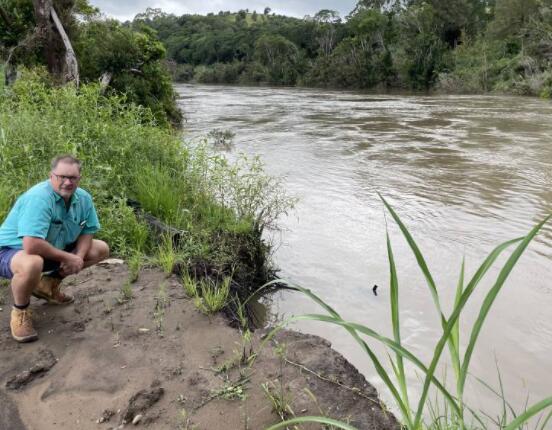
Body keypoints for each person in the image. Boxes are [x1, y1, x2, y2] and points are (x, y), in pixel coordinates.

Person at [0, 155, 109, 343]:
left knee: (100, 248)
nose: (67, 182)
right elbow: (31, 245)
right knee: (32, 262)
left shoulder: (83, 198)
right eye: (61, 177)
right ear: (51, 176)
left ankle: (48, 284)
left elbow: (87, 231)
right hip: (10, 250)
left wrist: (79, 257)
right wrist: (68, 257)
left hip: (49, 250)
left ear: (79, 179)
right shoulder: (39, 198)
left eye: (73, 178)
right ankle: (21, 311)